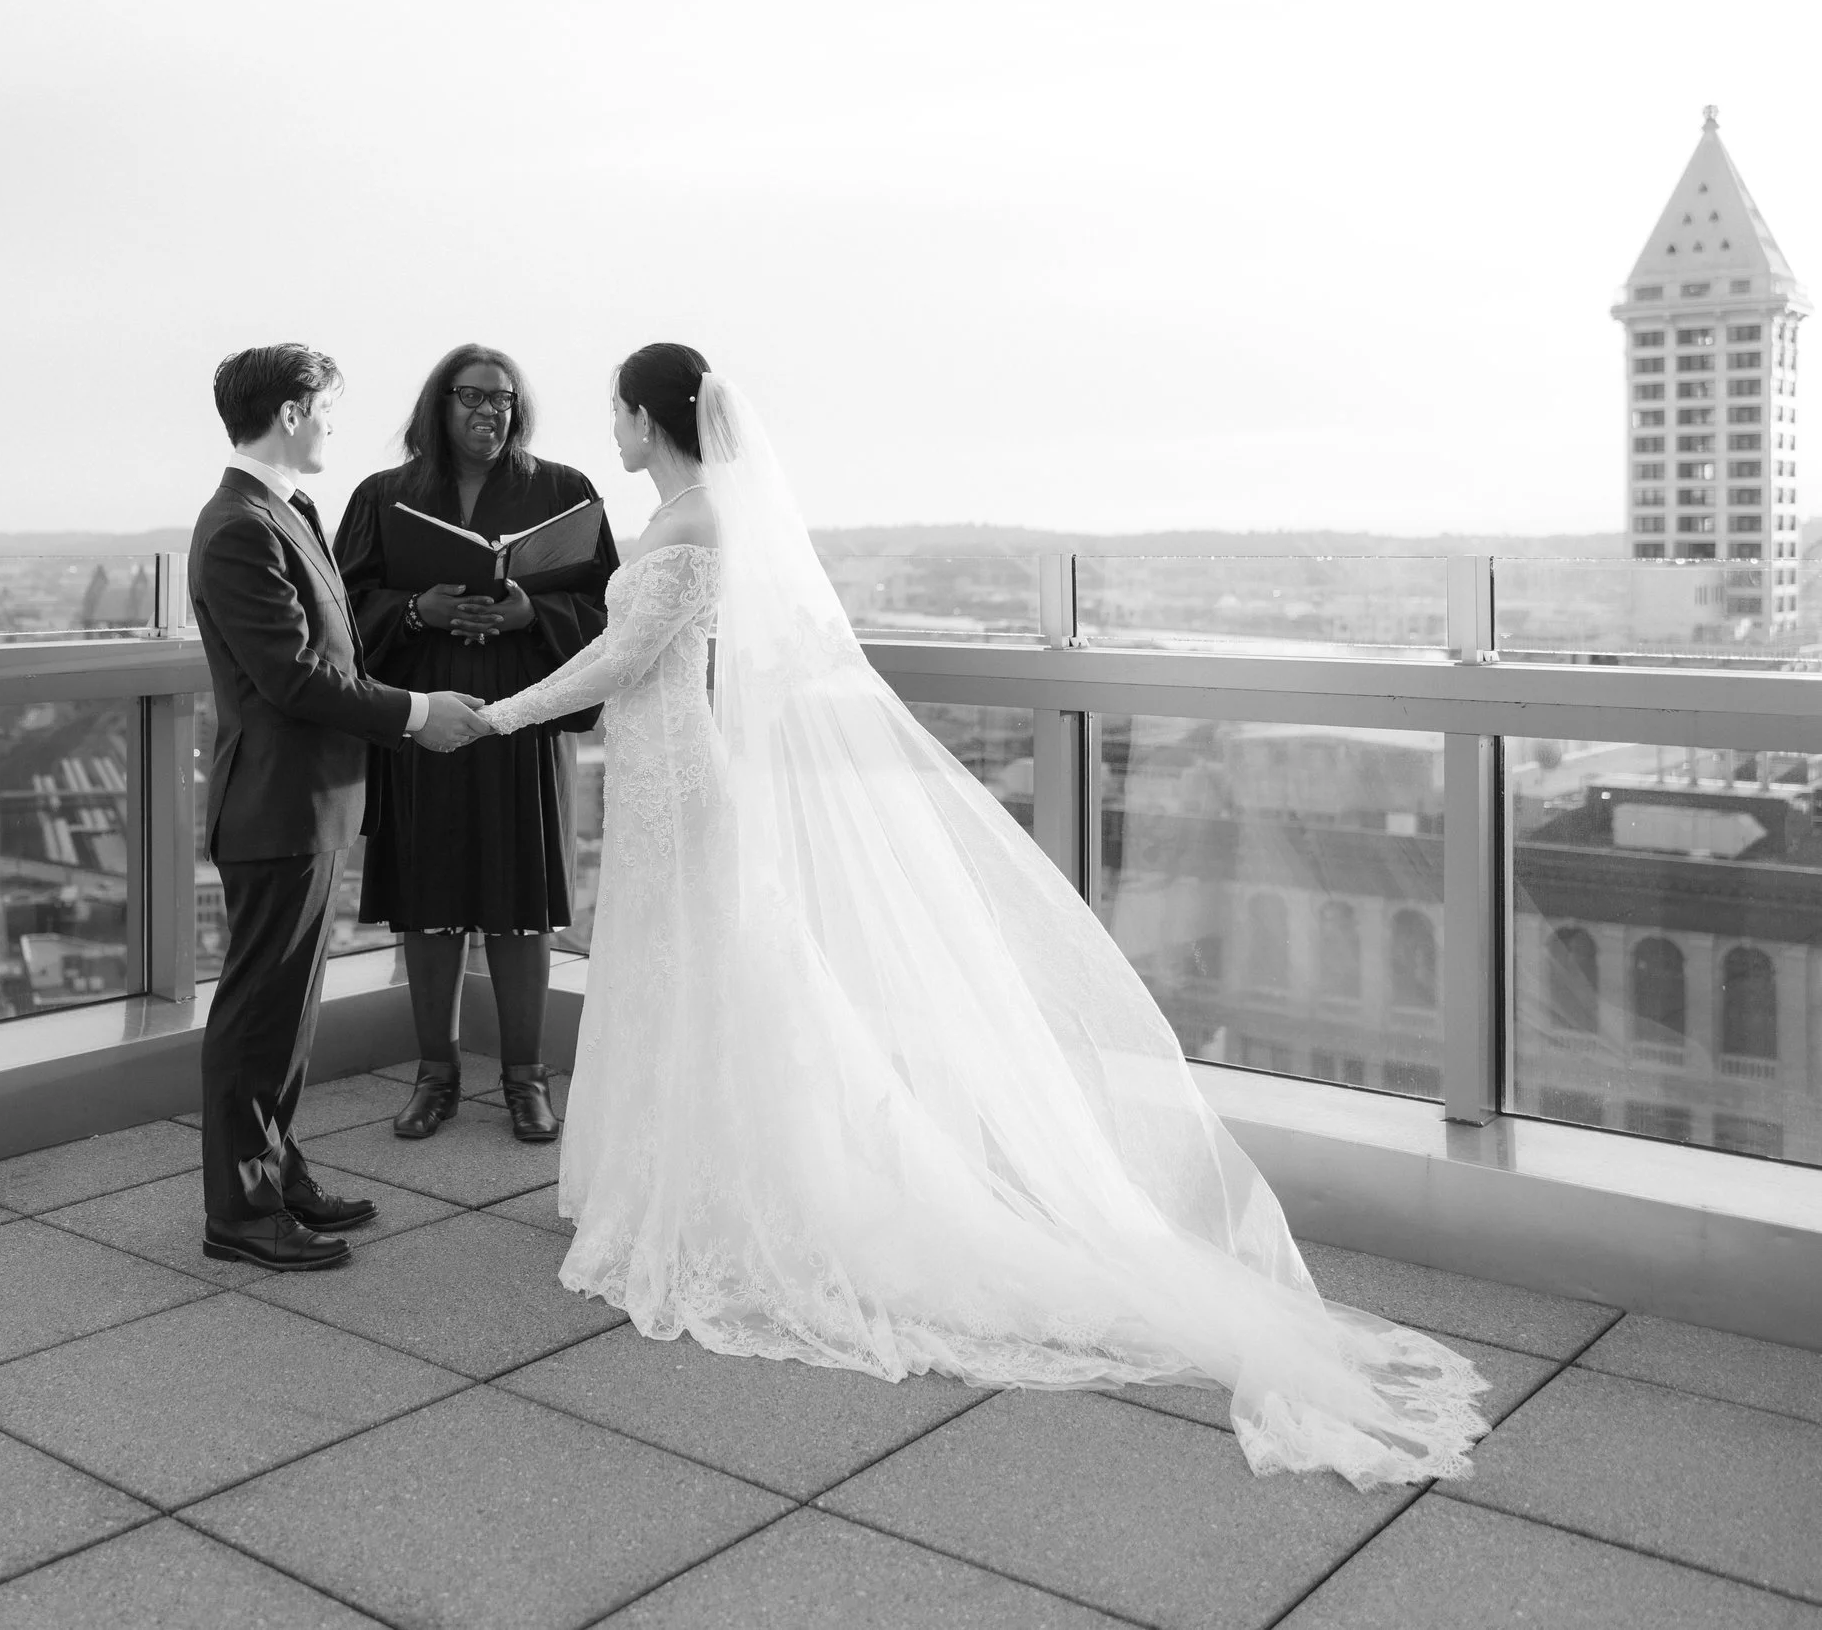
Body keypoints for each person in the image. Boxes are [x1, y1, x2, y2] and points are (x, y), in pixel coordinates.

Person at [462, 343, 1490, 1488]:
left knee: (696, 977)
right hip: (660, 781)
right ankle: (667, 1186)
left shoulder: (693, 525)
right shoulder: (692, 518)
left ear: (650, 419)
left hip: (674, 785)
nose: (608, 427)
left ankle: (702, 1203)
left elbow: (623, 657)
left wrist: (494, 716)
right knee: (684, 980)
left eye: (616, 410)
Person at [186, 344, 486, 1273]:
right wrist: (416, 713)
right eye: (324, 409)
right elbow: (295, 677)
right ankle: (239, 1212)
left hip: (311, 802)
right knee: (257, 1015)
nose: (329, 425)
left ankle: (277, 1172)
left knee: (290, 1009)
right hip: (277, 805)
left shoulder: (287, 510)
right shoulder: (240, 525)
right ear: (289, 411)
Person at [334, 345, 616, 1144]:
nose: (489, 412)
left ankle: (526, 1082)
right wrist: (417, 611)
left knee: (521, 906)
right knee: (426, 903)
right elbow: (343, 609)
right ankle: (436, 1076)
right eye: (472, 398)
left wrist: (533, 616)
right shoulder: (384, 498)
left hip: (519, 720)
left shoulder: (564, 493)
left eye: (503, 401)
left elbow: (610, 615)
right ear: (439, 404)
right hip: (423, 722)